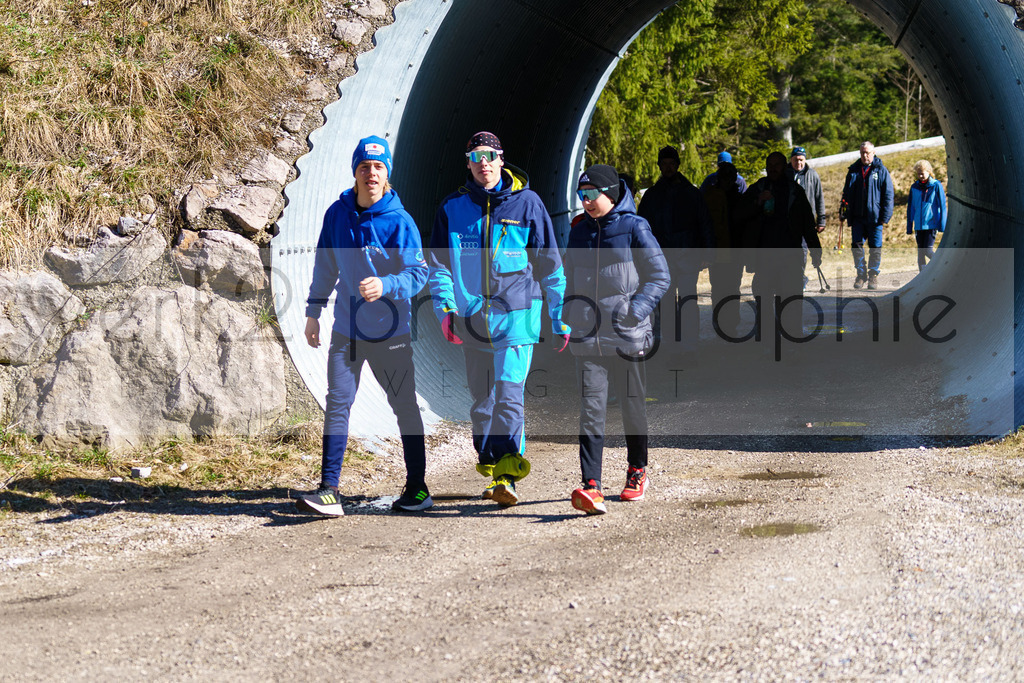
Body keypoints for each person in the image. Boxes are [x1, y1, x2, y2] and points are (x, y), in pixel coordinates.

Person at [427, 131, 569, 507]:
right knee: (482, 403)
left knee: (509, 396)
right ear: (468, 163)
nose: (483, 162)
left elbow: (550, 265)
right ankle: (491, 467)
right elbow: (439, 265)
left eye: (490, 155)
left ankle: (508, 472)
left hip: (518, 316)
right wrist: (445, 308)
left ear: (502, 159)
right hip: (473, 319)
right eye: (476, 156)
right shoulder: (452, 208)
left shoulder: (528, 204)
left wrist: (559, 316)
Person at [297, 135, 431, 517]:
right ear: (354, 171)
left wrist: (387, 285)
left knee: (404, 407)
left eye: (378, 167)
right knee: (338, 403)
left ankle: (418, 488)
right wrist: (313, 311)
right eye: (364, 167)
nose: (370, 173)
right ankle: (329, 490)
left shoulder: (399, 221)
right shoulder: (337, 214)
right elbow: (326, 266)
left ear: (387, 173)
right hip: (346, 332)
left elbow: (419, 273)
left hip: (392, 334)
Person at [562, 164, 669, 515]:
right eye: (581, 196)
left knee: (632, 406)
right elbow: (566, 278)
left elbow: (659, 276)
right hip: (588, 336)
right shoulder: (578, 232)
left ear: (610, 193)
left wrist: (635, 312)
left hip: (626, 334)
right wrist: (567, 315)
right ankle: (591, 484)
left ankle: (637, 470)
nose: (586, 202)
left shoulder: (634, 227)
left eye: (591, 195)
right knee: (591, 409)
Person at [637, 145, 714, 358]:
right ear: (660, 166)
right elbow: (641, 228)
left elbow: (705, 223)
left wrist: (708, 253)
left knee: (688, 301)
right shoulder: (652, 196)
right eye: (665, 164)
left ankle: (690, 345)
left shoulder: (692, 193)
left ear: (677, 165)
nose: (668, 168)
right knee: (667, 302)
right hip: (662, 257)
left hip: (688, 254)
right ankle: (671, 344)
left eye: (672, 164)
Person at [743, 152, 823, 338]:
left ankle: (792, 338)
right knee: (763, 299)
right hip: (764, 256)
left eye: (777, 164)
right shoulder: (758, 188)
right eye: (770, 164)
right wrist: (758, 202)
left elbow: (807, 223)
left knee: (791, 300)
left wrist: (815, 251)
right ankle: (768, 339)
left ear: (784, 166)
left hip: (790, 255)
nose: (773, 168)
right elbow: (740, 215)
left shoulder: (795, 191)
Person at [839, 141, 894, 290]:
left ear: (873, 153)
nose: (865, 155)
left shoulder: (881, 170)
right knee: (856, 246)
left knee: (875, 247)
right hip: (857, 217)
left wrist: (885, 216)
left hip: (875, 218)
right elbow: (846, 193)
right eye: (862, 152)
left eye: (867, 152)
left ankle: (873, 275)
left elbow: (888, 195)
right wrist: (843, 210)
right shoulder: (853, 171)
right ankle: (861, 275)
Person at [702, 162, 748, 338]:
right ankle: (721, 323)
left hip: (733, 252)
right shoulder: (712, 196)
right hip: (719, 251)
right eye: (725, 177)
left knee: (731, 288)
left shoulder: (738, 197)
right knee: (721, 288)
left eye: (730, 178)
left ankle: (729, 324)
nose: (728, 181)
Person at [787, 146, 827, 288]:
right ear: (791, 159)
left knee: (802, 252)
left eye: (801, 160)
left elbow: (819, 198)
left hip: (805, 221)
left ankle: (799, 279)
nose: (799, 163)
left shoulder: (812, 175)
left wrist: (821, 220)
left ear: (805, 160)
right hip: (786, 221)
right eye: (796, 159)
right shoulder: (785, 174)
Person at [906, 159, 947, 271]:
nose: (920, 175)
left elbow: (943, 206)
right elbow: (910, 207)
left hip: (931, 224)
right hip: (919, 225)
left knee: (927, 251)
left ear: (929, 171)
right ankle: (922, 277)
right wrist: (909, 226)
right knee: (920, 253)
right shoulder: (914, 187)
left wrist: (942, 225)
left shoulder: (936, 185)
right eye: (918, 173)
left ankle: (941, 267)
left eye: (922, 173)